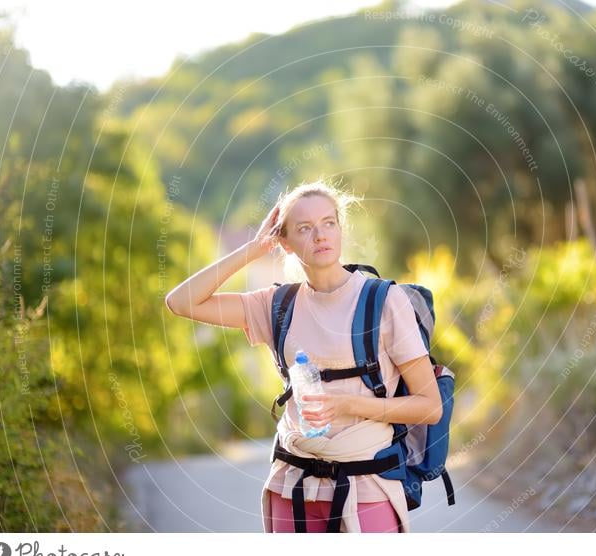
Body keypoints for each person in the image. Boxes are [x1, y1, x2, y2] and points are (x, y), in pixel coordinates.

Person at [165, 179, 442, 532]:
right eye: (304, 228)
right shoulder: (276, 306)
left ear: (341, 230)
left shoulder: (384, 302)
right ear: (286, 243)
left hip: (367, 485)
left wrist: (348, 406)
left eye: (329, 223)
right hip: (291, 485)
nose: (320, 235)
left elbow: (429, 406)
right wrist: (253, 249)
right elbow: (180, 302)